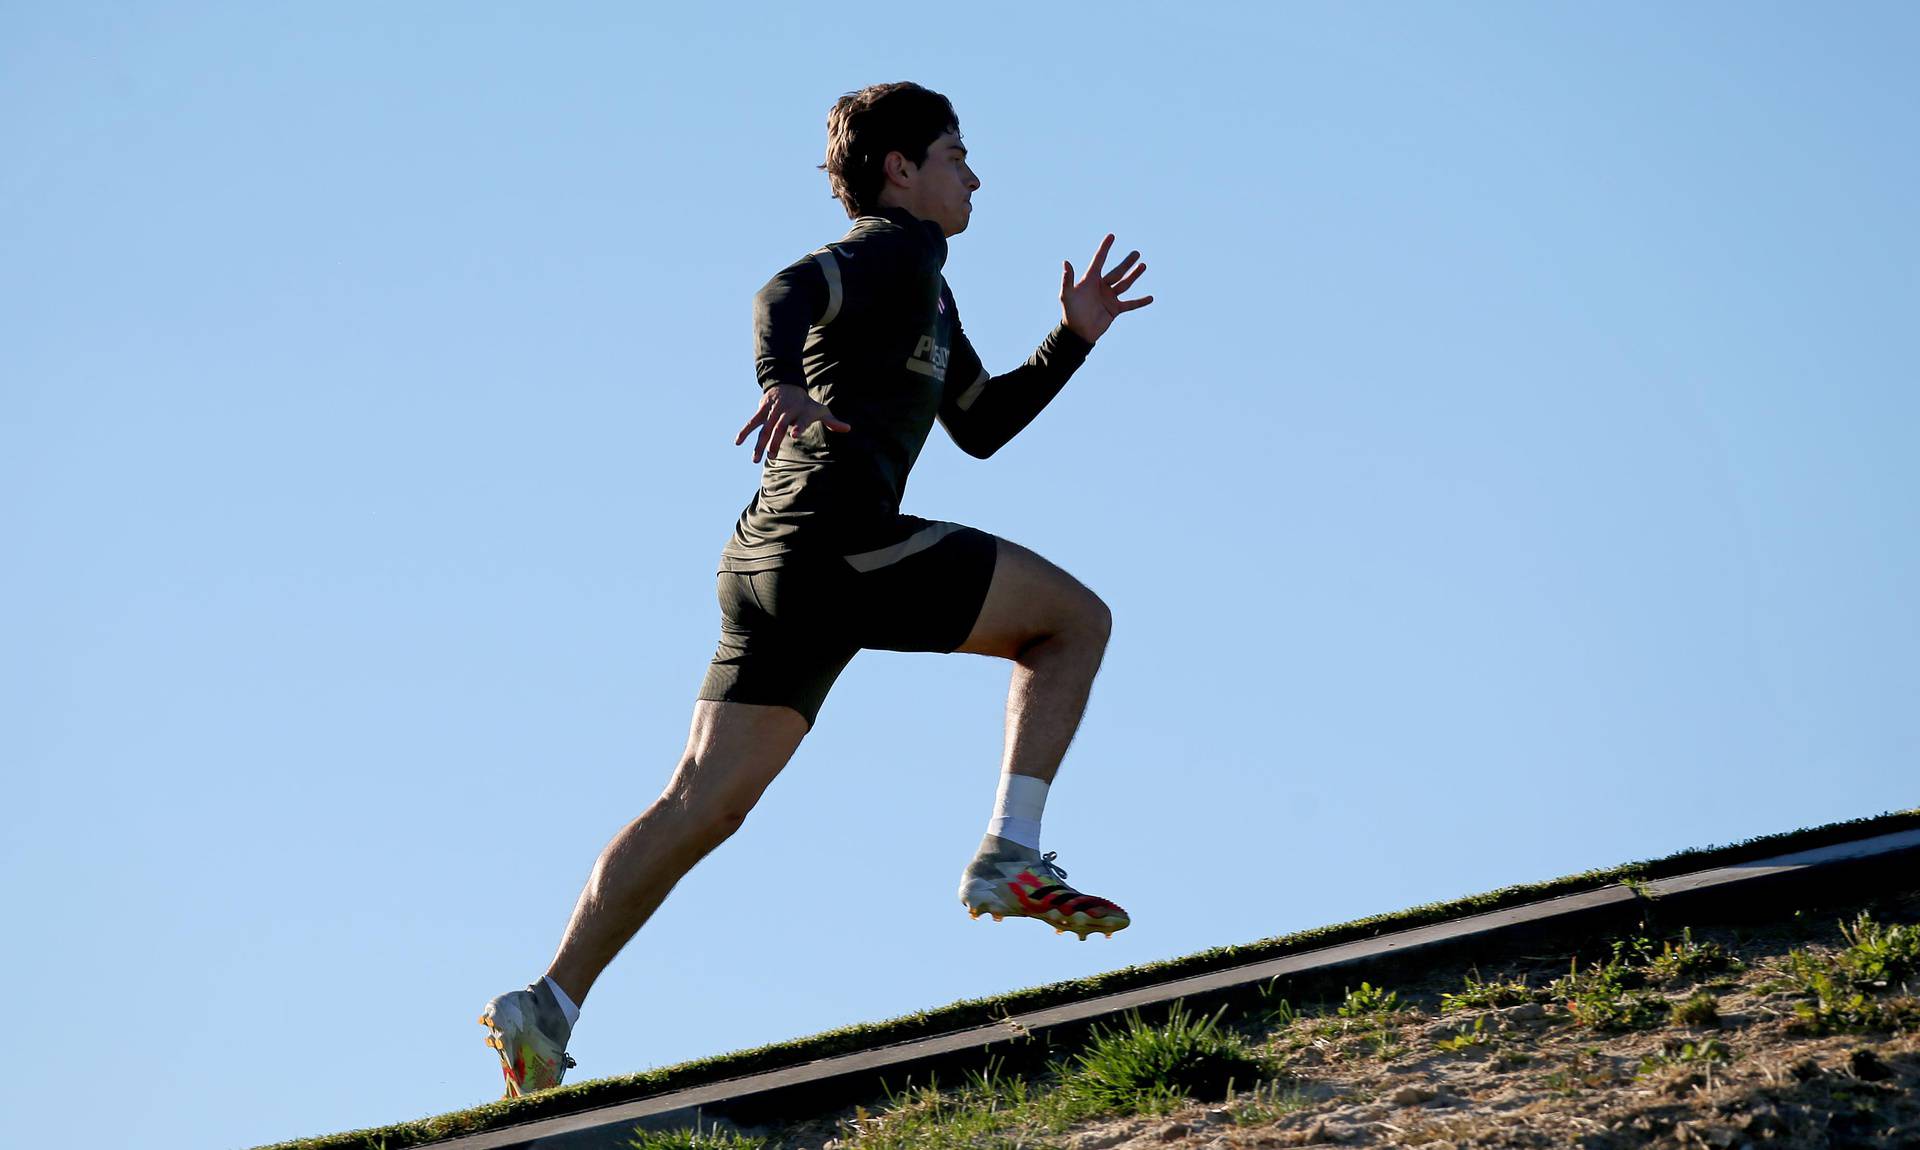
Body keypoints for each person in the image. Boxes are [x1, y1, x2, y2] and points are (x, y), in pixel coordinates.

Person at [479, 81, 1154, 1098]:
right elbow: (782, 294)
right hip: (837, 547)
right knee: (1073, 621)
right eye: (956, 154)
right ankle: (1012, 855)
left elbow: (978, 422)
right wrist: (779, 377)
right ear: (900, 169)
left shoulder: (926, 288)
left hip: (770, 565)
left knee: (699, 804)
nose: (974, 175)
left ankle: (549, 1002)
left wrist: (1072, 340)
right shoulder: (896, 250)